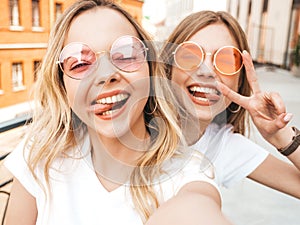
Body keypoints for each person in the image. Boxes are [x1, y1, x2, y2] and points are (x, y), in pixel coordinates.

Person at [4, 1, 234, 225]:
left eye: (125, 55)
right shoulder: (39, 156)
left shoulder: (188, 172)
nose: (106, 74)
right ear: (62, 87)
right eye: (80, 64)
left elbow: (196, 206)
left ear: (150, 69)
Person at [159, 10, 300, 197]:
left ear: (239, 82)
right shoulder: (135, 124)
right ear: (168, 68)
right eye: (190, 56)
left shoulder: (223, 145)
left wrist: (281, 135)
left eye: (225, 60)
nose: (207, 70)